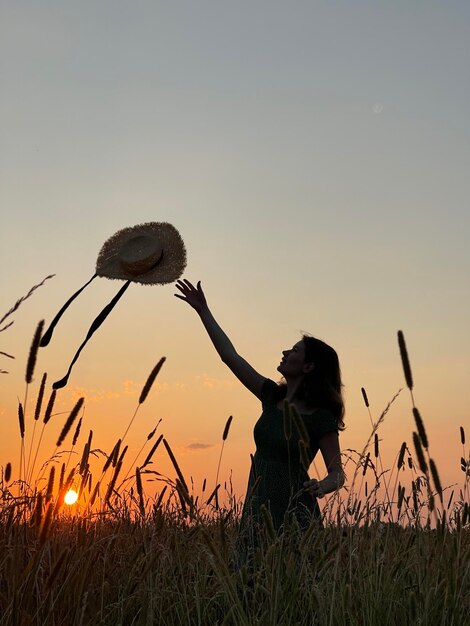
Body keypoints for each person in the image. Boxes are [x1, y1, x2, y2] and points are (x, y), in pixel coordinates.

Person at [175, 279, 345, 537]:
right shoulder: (270, 395)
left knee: (290, 576)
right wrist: (203, 311)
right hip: (257, 512)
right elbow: (230, 356)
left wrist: (322, 486)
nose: (285, 351)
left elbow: (338, 473)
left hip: (296, 516)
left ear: (308, 367)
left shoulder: (320, 418)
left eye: (295, 350)